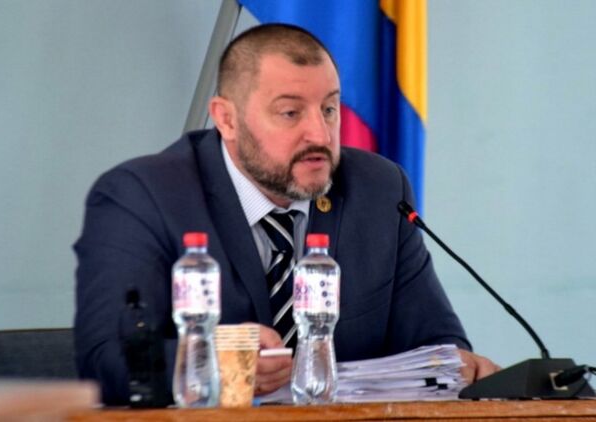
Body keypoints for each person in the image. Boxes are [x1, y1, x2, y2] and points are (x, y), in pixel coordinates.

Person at [74, 23, 498, 405]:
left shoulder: (378, 189)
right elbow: (106, 361)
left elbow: (435, 346)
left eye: (329, 109)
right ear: (227, 119)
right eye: (290, 112)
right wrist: (219, 363)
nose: (320, 134)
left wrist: (458, 367)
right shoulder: (142, 196)